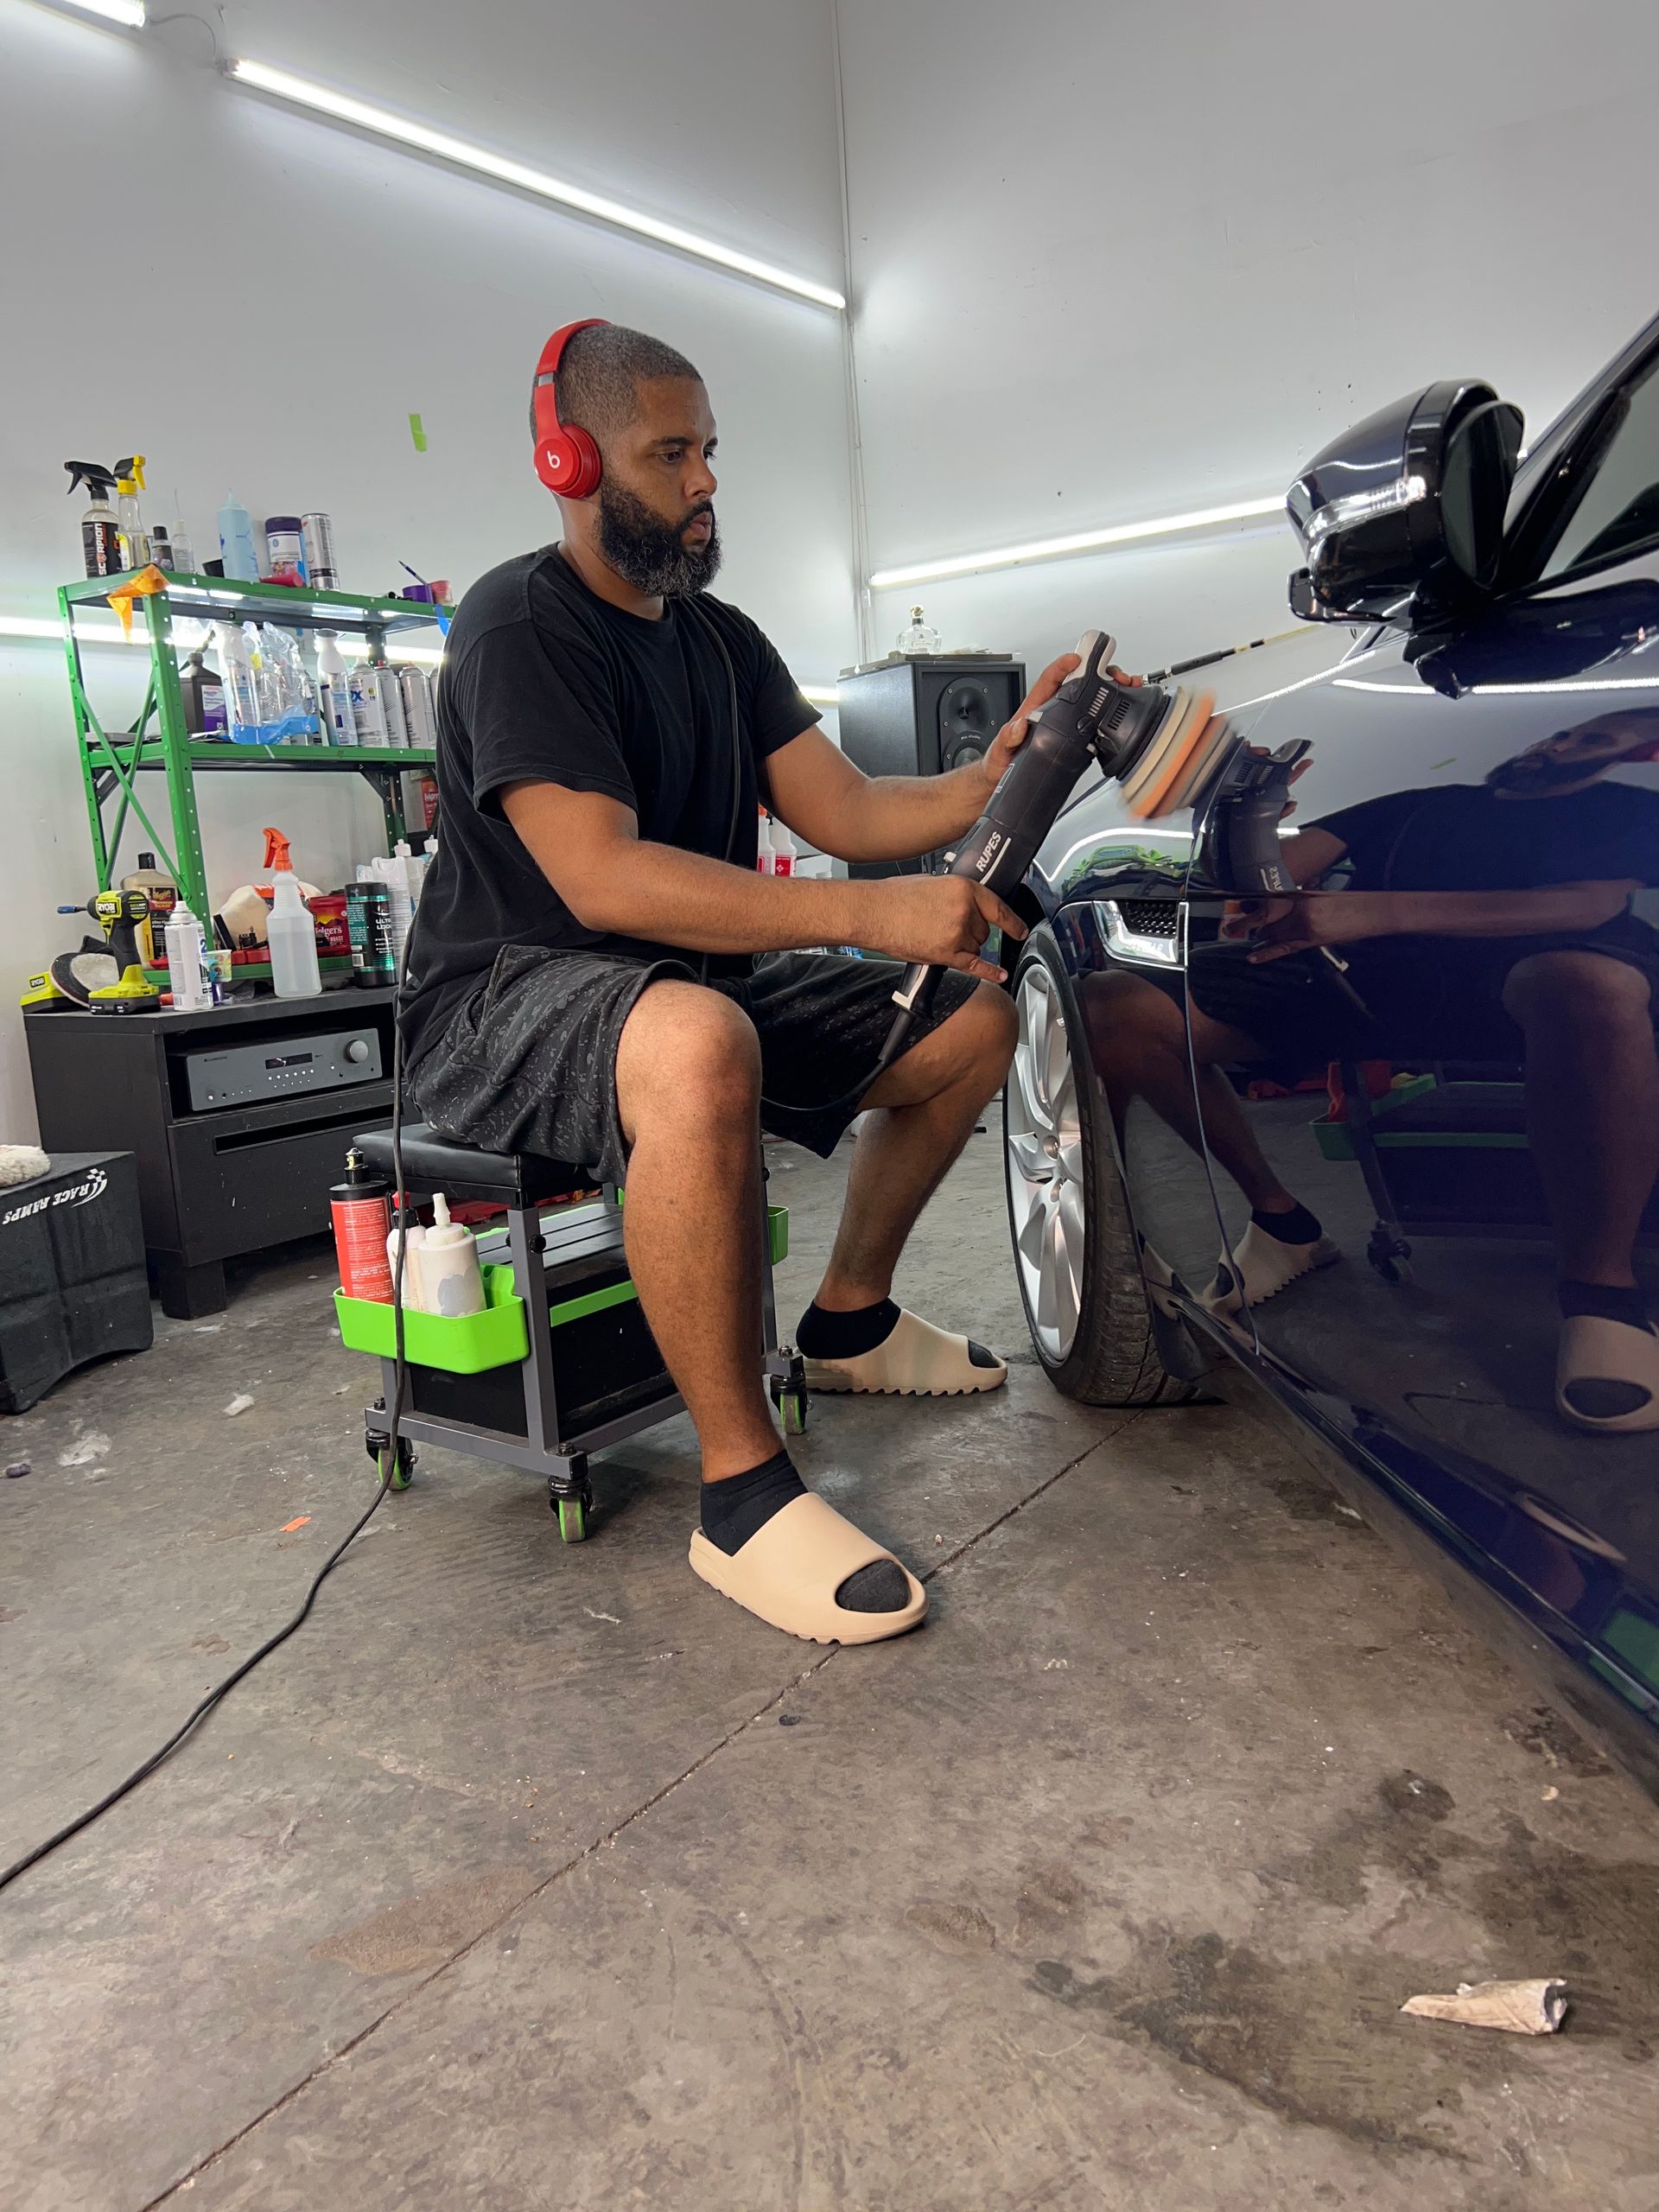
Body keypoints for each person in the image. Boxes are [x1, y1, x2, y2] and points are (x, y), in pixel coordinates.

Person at [401, 321, 1093, 1643]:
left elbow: (847, 806)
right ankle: (743, 1493)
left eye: (709, 450)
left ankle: (846, 1325)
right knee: (701, 1040)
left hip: (676, 984)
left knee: (972, 1019)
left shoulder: (721, 640)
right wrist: (867, 916)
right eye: (671, 454)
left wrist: (1002, 767)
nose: (705, 481)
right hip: (501, 999)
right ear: (571, 460)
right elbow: (599, 880)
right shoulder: (514, 627)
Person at [1092, 711, 1659, 1433]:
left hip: (1530, 977)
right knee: (1113, 1007)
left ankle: (1601, 1294)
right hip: (1374, 980)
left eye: (1591, 740)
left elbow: (1588, 903)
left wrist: (1367, 911)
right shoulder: (1419, 804)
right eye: (1561, 734)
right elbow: (1274, 871)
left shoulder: (1622, 810)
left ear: (1632, 754)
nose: (1561, 744)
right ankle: (1282, 1221)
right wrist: (1240, 817)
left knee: (1589, 983)